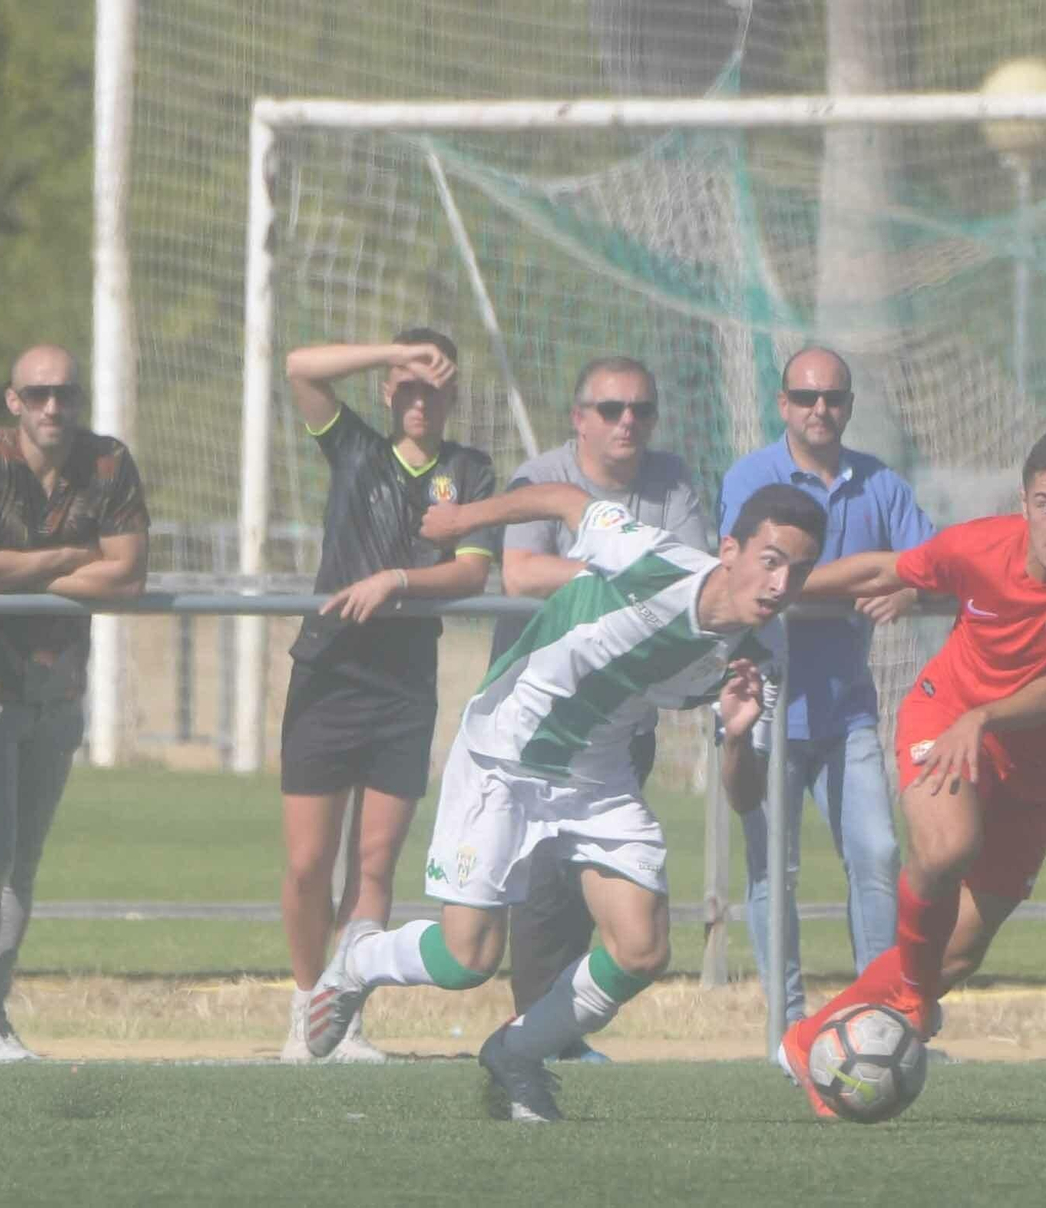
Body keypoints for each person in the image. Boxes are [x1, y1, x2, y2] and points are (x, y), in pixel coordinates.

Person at [303, 480, 826, 1123]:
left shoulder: (761, 658)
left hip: (597, 774)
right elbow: (564, 499)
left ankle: (517, 1053)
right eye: (771, 560)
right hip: (506, 751)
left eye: (799, 571)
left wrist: (739, 736)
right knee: (468, 959)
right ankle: (360, 958)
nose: (781, 584)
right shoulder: (651, 560)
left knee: (641, 949)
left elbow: (743, 796)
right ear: (729, 551)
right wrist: (464, 518)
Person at [772, 427, 1046, 1116]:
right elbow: (881, 570)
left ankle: (809, 1042)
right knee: (946, 849)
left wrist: (989, 718)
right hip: (944, 721)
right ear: (1024, 501)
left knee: (955, 957)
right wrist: (773, 588)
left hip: (1033, 769)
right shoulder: (978, 545)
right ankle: (908, 1002)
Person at [277, 330, 497, 1062]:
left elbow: (470, 574)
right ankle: (306, 1001)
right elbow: (300, 367)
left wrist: (398, 581)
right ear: (386, 389)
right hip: (329, 671)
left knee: (374, 866)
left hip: (404, 686)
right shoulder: (355, 449)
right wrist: (388, 352)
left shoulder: (469, 471)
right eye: (406, 384)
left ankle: (342, 1021)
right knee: (309, 864)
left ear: (452, 396)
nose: (418, 398)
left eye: (433, 386)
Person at [493, 355, 707, 1063]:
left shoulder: (671, 482)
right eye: (612, 410)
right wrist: (622, 577)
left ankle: (555, 1035)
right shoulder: (542, 477)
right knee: (531, 891)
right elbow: (522, 573)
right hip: (540, 724)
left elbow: (692, 580)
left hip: (620, 717)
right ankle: (529, 1030)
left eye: (641, 410)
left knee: (602, 888)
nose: (628, 424)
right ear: (579, 417)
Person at [0, 343, 149, 1061]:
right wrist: (69, 557)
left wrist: (21, 575)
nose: (53, 407)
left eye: (65, 392)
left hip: (60, 687)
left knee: (21, 865)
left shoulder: (108, 462)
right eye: (38, 394)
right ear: (13, 400)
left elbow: (127, 579)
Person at [716, 346, 934, 1022]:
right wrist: (875, 569)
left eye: (833, 398)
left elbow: (932, 564)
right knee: (770, 873)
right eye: (805, 397)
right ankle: (786, 1027)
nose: (820, 410)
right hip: (766, 704)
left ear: (848, 406)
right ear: (782, 404)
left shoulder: (881, 484)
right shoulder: (749, 479)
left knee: (877, 853)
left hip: (846, 712)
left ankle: (880, 1018)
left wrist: (908, 589)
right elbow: (748, 584)